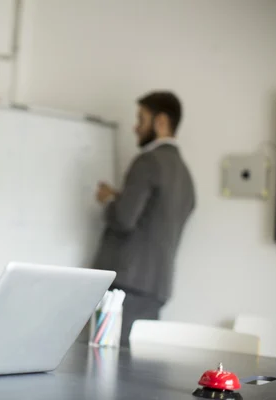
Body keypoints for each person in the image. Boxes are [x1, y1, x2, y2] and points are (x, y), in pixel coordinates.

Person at [91, 91, 196, 346]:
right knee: (133, 367)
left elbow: (124, 219)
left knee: (107, 364)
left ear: (160, 121)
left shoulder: (148, 162)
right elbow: (154, 217)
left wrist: (108, 199)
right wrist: (122, 197)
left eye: (141, 119)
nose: (135, 127)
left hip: (127, 283)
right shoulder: (184, 173)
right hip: (156, 286)